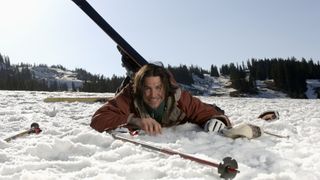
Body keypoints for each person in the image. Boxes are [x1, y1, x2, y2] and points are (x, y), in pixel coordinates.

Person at [90, 63, 232, 135]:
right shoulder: (129, 95)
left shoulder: (180, 97)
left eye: (158, 88)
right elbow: (98, 119)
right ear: (139, 89)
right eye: (147, 88)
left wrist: (218, 120)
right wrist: (133, 120)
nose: (153, 95)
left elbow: (208, 113)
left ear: (165, 87)